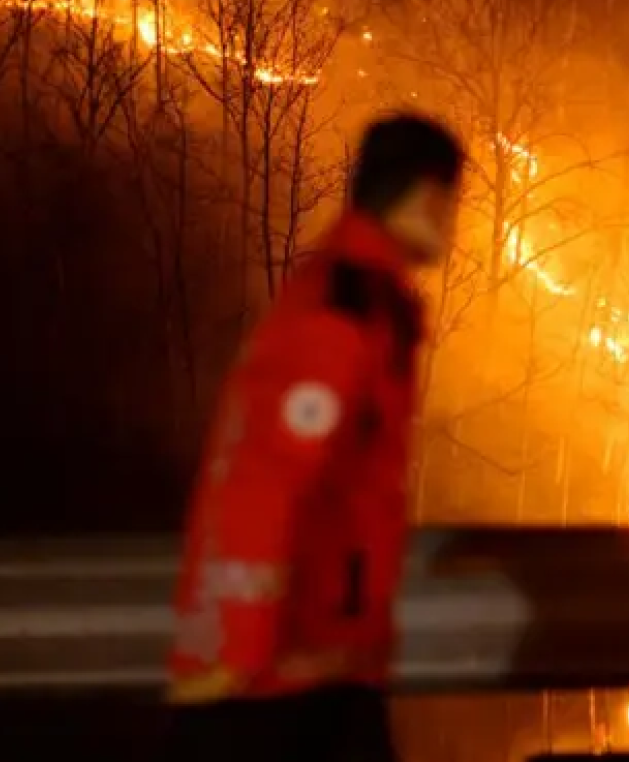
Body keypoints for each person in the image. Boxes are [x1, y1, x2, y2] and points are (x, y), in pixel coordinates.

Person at [164, 113, 465, 762]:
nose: (450, 224)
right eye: (447, 203)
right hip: (279, 678)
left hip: (329, 658)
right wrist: (240, 656)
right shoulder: (341, 312)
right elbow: (265, 479)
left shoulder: (377, 304)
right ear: (415, 196)